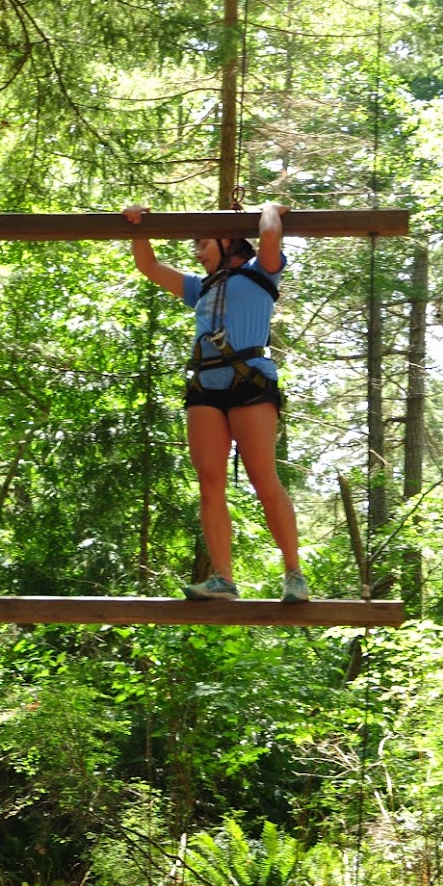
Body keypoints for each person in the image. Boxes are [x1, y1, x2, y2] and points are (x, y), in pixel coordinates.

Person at [124, 201, 308, 602]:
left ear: (228, 240)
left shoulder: (262, 273)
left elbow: (271, 234)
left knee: (263, 478)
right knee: (210, 482)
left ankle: (294, 572)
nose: (197, 251)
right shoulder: (200, 287)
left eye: (203, 241)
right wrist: (137, 223)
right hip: (206, 383)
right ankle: (223, 579)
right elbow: (149, 267)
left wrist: (268, 207)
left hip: (250, 380)